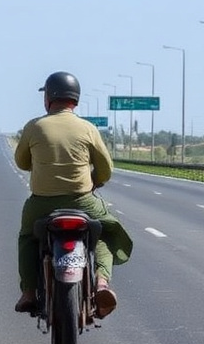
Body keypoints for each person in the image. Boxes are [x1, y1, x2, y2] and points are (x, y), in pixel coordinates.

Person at [13, 71, 133, 319]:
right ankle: (101, 283)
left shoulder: (34, 126)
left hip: (42, 204)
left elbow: (22, 162)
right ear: (74, 99)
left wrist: (41, 166)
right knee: (105, 232)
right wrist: (95, 181)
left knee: (27, 237)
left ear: (48, 98)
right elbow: (106, 169)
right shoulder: (87, 128)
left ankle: (28, 292)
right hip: (83, 202)